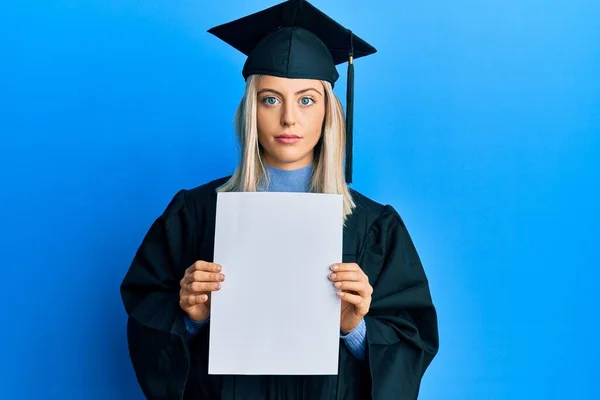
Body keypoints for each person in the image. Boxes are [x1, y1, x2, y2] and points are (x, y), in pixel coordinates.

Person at [119, 0, 439, 399]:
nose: (289, 118)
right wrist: (191, 318)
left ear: (329, 113)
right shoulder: (196, 213)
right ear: (251, 109)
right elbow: (146, 321)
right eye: (270, 98)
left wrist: (354, 328)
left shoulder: (374, 226)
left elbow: (412, 345)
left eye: (307, 99)